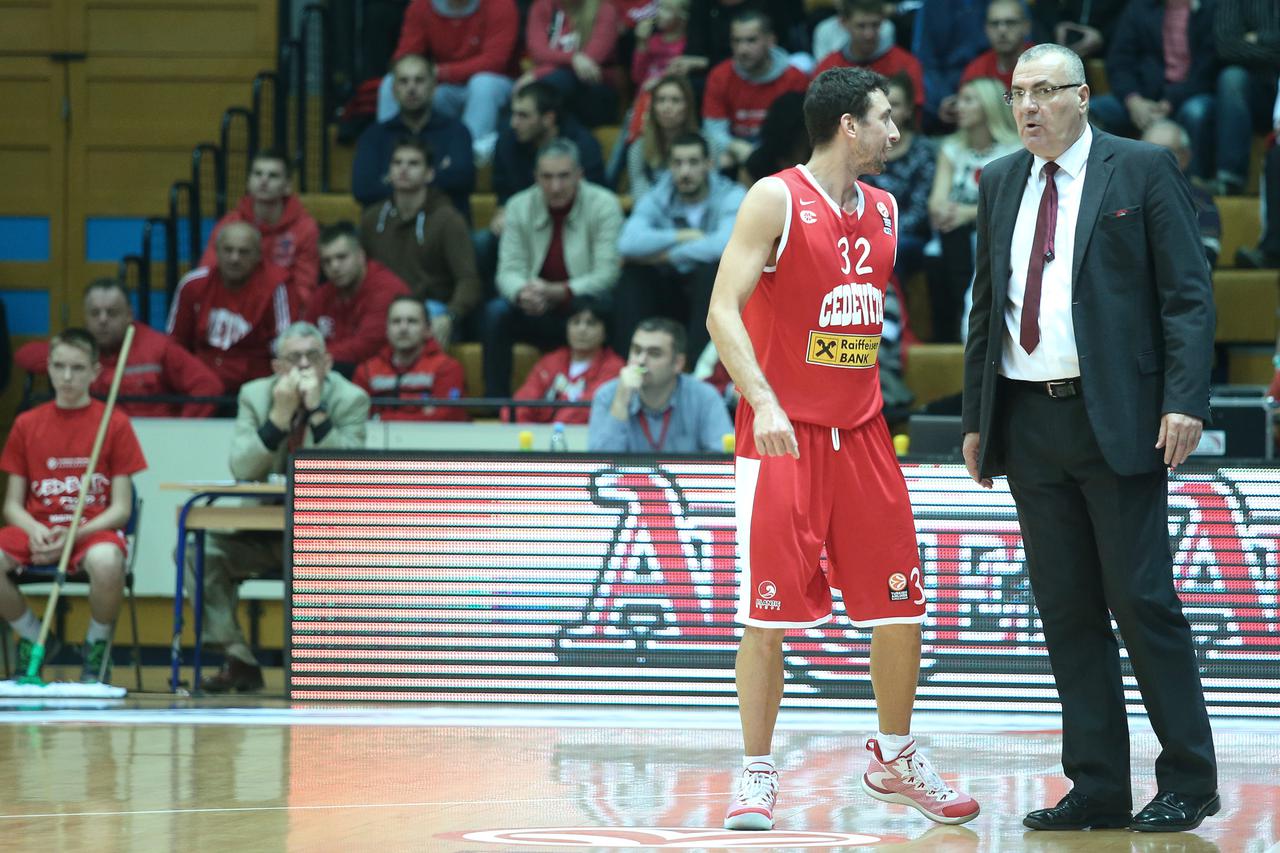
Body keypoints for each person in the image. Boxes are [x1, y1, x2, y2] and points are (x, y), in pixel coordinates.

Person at [705, 66, 980, 831]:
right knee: (765, 618)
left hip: (862, 434)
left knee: (903, 605)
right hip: (782, 435)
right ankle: (757, 772)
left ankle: (896, 755)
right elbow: (720, 311)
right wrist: (761, 399)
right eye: (885, 118)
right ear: (848, 125)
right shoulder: (775, 197)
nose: (897, 132)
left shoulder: (889, 208)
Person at [962, 43, 1219, 832]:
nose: (1029, 106)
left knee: (1141, 600)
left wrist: (1184, 400)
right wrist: (977, 416)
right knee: (1066, 609)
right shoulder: (999, 179)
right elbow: (987, 306)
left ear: (1082, 96)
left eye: (1045, 91)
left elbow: (1186, 294)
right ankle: (1099, 781)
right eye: (1017, 94)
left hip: (1120, 416)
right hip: (1028, 419)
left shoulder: (1138, 168)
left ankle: (1189, 777)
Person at [192, 323, 369, 692]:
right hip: (259, 532)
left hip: (322, 540)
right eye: (294, 358)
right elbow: (242, 468)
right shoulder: (254, 395)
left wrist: (317, 411)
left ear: (328, 363)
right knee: (201, 551)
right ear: (277, 367)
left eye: (312, 357)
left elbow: (350, 471)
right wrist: (278, 417)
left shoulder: (351, 398)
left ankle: (318, 668)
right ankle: (238, 658)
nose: (304, 366)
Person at [0, 329, 147, 685]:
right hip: (38, 532)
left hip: (90, 533)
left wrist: (74, 535)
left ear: (95, 372)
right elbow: (11, 506)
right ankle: (34, 635)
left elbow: (122, 509)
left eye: (78, 368)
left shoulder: (114, 423)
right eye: (59, 366)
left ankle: (95, 646)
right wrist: (36, 531)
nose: (67, 377)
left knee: (109, 562)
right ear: (47, 367)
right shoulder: (26, 424)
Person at [484, 138, 623, 397]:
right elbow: (508, 271)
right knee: (496, 313)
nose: (555, 186)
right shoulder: (518, 206)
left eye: (563, 177)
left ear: (579, 175)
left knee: (618, 301)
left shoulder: (604, 204)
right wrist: (522, 293)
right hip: (536, 307)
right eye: (546, 177)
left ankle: (606, 396)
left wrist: (561, 291)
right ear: (536, 177)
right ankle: (495, 402)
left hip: (583, 305)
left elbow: (607, 274)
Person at [616, 132, 745, 360]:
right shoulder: (657, 196)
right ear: (669, 167)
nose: (685, 171)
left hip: (707, 293)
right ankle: (631, 363)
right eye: (678, 163)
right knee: (634, 275)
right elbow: (627, 243)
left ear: (709, 164)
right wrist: (682, 235)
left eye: (693, 162)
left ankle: (699, 368)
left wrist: (664, 257)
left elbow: (723, 246)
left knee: (713, 270)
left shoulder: (731, 195)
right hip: (669, 291)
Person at [15, 279, 223, 417]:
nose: (103, 320)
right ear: (85, 317)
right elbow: (25, 355)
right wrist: (63, 350)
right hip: (91, 441)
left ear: (129, 315)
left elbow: (208, 386)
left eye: (112, 313)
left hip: (149, 444)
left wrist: (178, 431)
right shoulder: (77, 348)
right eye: (95, 313)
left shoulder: (158, 347)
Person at [360, 138, 481, 349]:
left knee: (420, 323)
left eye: (413, 163)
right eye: (397, 163)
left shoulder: (448, 219)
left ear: (430, 174)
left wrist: (450, 316)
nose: (403, 169)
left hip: (430, 307)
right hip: (383, 306)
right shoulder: (372, 218)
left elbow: (468, 280)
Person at [927, 77, 1021, 342]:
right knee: (942, 246)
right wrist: (944, 212)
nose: (960, 107)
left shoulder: (1015, 148)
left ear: (989, 105)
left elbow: (1012, 202)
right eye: (959, 100)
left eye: (969, 100)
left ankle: (974, 330)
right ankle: (956, 338)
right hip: (955, 230)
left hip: (997, 230)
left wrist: (967, 214)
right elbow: (936, 200)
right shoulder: (951, 148)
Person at [1088, 0, 1218, 183]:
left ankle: (1192, 187)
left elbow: (1207, 69)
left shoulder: (1210, 10)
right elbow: (1119, 61)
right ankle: (1099, 184)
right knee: (1092, 111)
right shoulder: (1138, 8)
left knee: (1196, 112)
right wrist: (1133, 100)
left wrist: (1169, 102)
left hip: (1188, 96)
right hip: (1140, 97)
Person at [383, 0, 519, 164]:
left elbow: (495, 61)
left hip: (496, 82)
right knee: (392, 80)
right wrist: (418, 72)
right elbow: (406, 54)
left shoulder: (500, 4)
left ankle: (469, 158)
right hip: (446, 86)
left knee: (483, 84)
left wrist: (441, 72)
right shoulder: (422, 5)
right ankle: (391, 152)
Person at [167, 222, 292, 394]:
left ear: (258, 256)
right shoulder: (192, 285)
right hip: (201, 384)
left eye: (244, 252)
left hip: (255, 387)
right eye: (228, 250)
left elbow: (283, 344)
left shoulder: (274, 287)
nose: (234, 258)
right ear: (216, 252)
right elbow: (175, 343)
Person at [352, 54, 476, 215]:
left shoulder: (456, 131)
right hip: (389, 231)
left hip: (444, 232)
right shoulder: (374, 135)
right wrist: (435, 175)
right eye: (404, 81)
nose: (411, 88)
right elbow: (363, 190)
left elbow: (463, 181)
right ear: (394, 90)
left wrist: (394, 180)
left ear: (433, 87)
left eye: (419, 80)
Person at [198, 150, 320, 311]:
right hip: (233, 308)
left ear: (288, 186)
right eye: (257, 174)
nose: (263, 180)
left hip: (283, 311)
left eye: (273, 176)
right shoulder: (231, 223)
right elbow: (207, 273)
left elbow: (304, 288)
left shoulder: (305, 228)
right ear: (249, 182)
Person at [588, 317, 731, 451]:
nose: (641, 360)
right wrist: (620, 403)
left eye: (654, 353)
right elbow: (600, 466)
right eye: (636, 351)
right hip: (629, 478)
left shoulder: (704, 397)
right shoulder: (607, 395)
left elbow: (722, 457)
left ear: (677, 363)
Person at [702, 10, 810, 172]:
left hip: (781, 161)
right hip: (735, 153)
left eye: (751, 40)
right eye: (736, 41)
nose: (742, 49)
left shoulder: (795, 78)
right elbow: (714, 129)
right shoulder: (720, 76)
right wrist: (734, 147)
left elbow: (800, 136)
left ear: (770, 40)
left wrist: (759, 155)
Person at [303, 222, 412, 374]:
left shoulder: (386, 289)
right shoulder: (323, 294)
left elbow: (366, 347)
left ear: (361, 256)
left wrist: (310, 358)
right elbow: (302, 335)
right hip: (333, 369)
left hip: (380, 374)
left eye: (341, 257)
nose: (334, 266)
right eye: (327, 261)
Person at [864, 73, 937, 288]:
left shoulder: (922, 151)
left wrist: (882, 235)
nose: (888, 110)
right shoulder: (864, 148)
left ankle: (891, 318)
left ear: (908, 110)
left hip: (909, 235)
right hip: (866, 231)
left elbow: (919, 210)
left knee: (892, 250)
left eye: (895, 104)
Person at [353, 296, 468, 422]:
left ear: (428, 330)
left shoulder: (447, 367)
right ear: (386, 329)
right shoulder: (367, 370)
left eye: (412, 321)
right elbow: (355, 417)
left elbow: (448, 417)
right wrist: (424, 415)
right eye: (396, 321)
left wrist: (380, 418)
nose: (403, 328)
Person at [509, 298, 623, 423]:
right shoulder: (550, 361)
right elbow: (521, 403)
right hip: (542, 437)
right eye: (575, 322)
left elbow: (583, 412)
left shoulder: (614, 368)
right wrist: (526, 432)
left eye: (591, 323)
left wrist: (552, 435)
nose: (582, 329)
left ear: (605, 332)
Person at [1211, 0, 1280, 195]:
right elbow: (1226, 45)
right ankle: (1231, 177)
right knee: (1232, 78)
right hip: (1256, 92)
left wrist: (1257, 38)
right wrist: (1274, 48)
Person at [521, 0, 621, 128]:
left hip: (595, 89)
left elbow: (589, 63)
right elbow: (538, 52)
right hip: (555, 89)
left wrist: (537, 74)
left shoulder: (605, 10)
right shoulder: (544, 5)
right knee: (539, 99)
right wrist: (573, 58)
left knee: (557, 82)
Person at [814, 0, 925, 113]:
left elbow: (914, 114)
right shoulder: (828, 68)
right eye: (861, 26)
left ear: (883, 21)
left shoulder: (906, 65)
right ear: (844, 23)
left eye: (875, 25)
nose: (869, 34)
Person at [1142, 119, 1222, 267]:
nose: (1151, 160)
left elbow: (1207, 258)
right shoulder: (1122, 195)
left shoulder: (1201, 202)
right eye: (1145, 150)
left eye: (1162, 152)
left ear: (1185, 157)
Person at [911, 0, 992, 129]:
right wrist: (943, 96)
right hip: (944, 92)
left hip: (989, 88)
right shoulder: (933, 5)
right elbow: (925, 60)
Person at [626, 74, 702, 200]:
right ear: (653, 107)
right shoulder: (638, 148)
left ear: (688, 106)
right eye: (661, 100)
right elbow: (640, 193)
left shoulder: (705, 143)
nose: (667, 107)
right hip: (655, 213)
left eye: (675, 100)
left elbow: (711, 189)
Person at [959, 0, 1035, 91]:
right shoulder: (976, 72)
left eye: (1010, 22)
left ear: (1026, 27)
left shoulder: (1043, 63)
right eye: (994, 24)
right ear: (986, 29)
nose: (1002, 30)